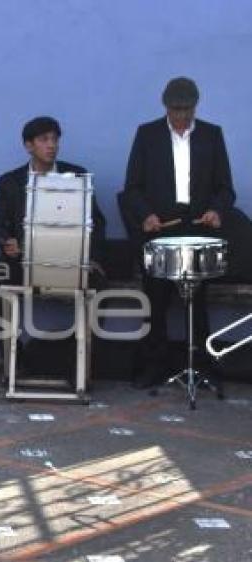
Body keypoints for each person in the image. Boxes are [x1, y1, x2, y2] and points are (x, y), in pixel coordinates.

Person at [121, 77, 234, 389]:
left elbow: (225, 188)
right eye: (176, 110)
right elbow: (132, 188)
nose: (182, 116)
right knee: (155, 302)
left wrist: (216, 210)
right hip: (161, 230)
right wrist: (146, 215)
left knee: (197, 304)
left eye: (187, 110)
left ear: (196, 107)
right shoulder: (148, 135)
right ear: (165, 107)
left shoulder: (212, 135)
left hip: (197, 228)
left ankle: (202, 366)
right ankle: (153, 368)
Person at [0, 116, 107, 371]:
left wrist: (89, 257)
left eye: (55, 139)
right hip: (22, 261)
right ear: (29, 146)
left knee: (100, 288)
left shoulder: (78, 176)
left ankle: (78, 365)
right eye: (44, 140)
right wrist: (6, 241)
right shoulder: (10, 181)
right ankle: (14, 362)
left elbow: (98, 223)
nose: (52, 145)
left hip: (70, 261)